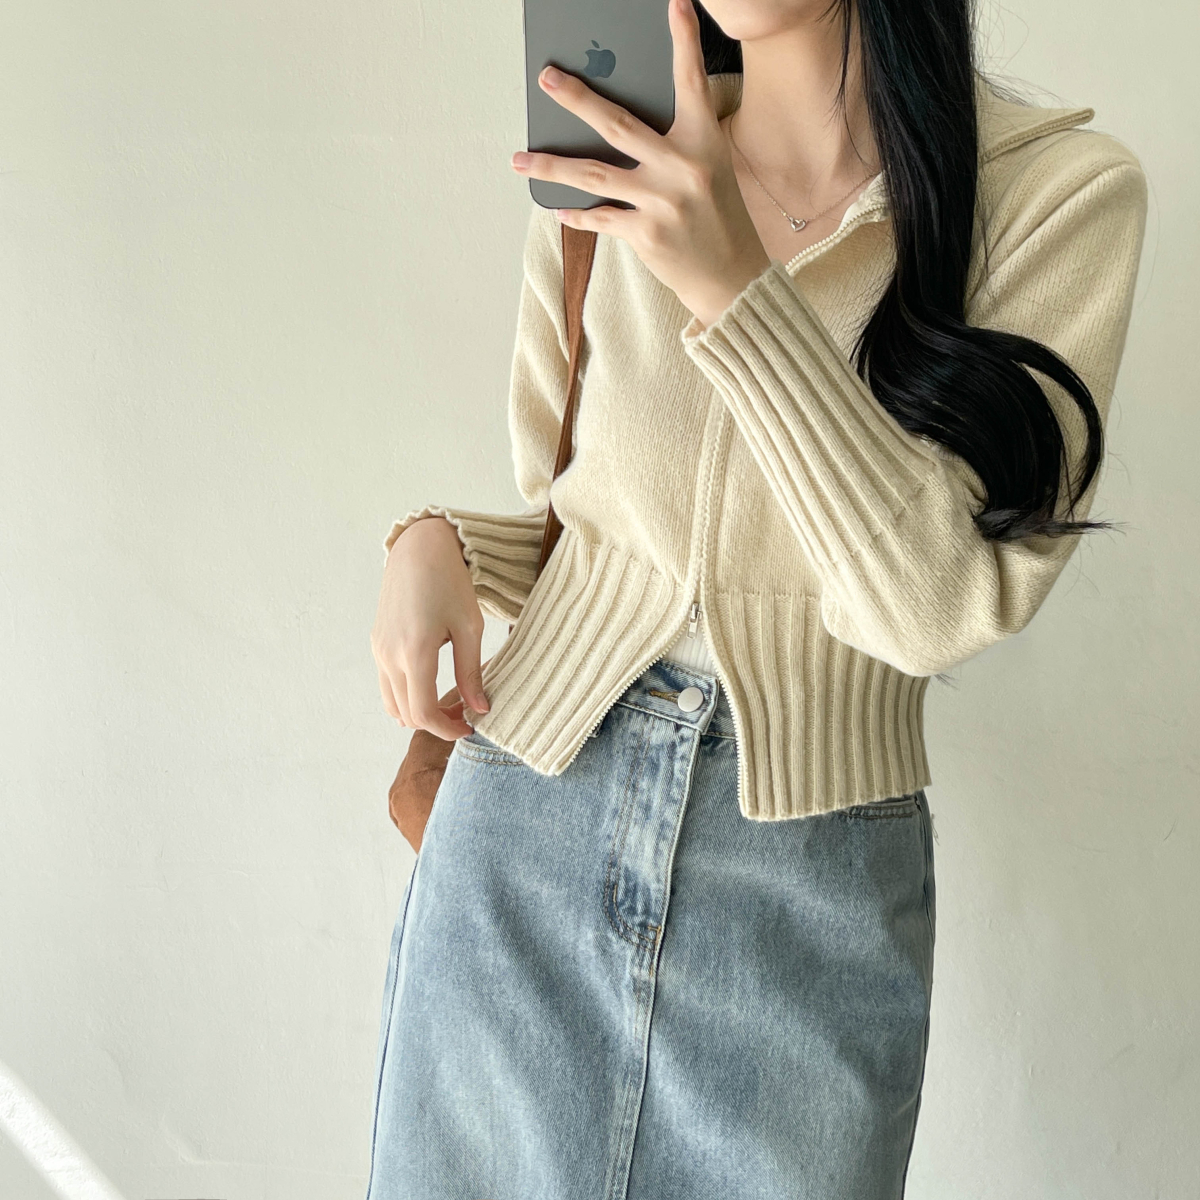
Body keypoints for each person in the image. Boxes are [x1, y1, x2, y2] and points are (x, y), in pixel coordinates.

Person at [366, 0, 1147, 1195]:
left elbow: (935, 605)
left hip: (807, 896)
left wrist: (733, 286)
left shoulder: (1061, 199)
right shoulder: (615, 160)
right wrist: (444, 547)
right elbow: (611, 535)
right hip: (522, 837)